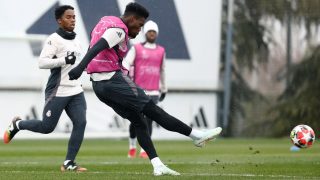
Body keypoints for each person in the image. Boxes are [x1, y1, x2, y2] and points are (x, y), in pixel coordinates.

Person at [68, 2, 222, 176]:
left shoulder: (105, 21)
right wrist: (80, 68)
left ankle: (157, 165)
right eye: (140, 25)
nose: (139, 30)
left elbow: (95, 44)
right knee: (154, 111)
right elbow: (97, 47)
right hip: (113, 80)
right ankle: (196, 135)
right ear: (132, 19)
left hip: (99, 86)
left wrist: (85, 68)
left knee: (139, 122)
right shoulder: (119, 30)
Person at [3, 5, 87, 172]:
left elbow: (76, 64)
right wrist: (63, 60)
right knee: (47, 127)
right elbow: (42, 62)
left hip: (76, 91)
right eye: (68, 17)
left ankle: (69, 163)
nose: (73, 20)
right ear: (59, 20)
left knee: (81, 122)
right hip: (58, 90)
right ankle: (18, 125)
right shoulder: (53, 39)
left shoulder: (77, 41)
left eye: (74, 17)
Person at [122, 20, 167, 159]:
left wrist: (163, 88)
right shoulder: (136, 48)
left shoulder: (161, 51)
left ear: (157, 34)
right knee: (135, 120)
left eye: (154, 32)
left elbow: (162, 70)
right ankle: (132, 146)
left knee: (149, 121)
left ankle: (144, 150)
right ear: (145, 33)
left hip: (154, 91)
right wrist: (125, 80)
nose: (152, 34)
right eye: (149, 32)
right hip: (138, 90)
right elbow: (126, 63)